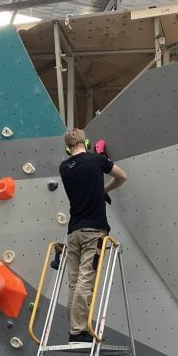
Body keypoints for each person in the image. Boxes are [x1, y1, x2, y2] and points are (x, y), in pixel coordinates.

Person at [58, 128, 128, 343]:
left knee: (74, 282)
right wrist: (103, 190)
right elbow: (122, 176)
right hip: (94, 231)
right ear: (86, 143)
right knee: (86, 280)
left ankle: (74, 328)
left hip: (74, 232)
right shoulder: (96, 160)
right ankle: (78, 330)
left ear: (67, 148)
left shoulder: (64, 167)